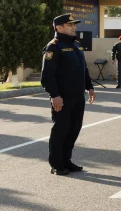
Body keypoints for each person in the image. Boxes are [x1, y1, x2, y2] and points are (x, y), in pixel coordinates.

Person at [40, 14, 96, 175]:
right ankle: (56, 164)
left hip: (78, 97)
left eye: (73, 25)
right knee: (60, 131)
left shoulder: (77, 45)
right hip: (62, 98)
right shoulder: (54, 47)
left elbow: (83, 69)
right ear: (58, 28)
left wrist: (89, 87)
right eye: (69, 25)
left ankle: (66, 160)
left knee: (74, 129)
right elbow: (47, 75)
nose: (74, 27)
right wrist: (54, 95)